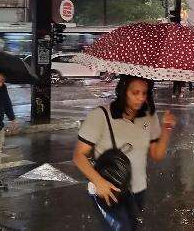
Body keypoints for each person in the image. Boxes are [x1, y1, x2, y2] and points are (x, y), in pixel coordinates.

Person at [73, 75, 176, 230]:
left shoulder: (149, 116)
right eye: (135, 92)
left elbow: (157, 155)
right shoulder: (100, 115)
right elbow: (78, 156)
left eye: (145, 93)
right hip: (108, 188)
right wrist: (98, 182)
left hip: (138, 190)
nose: (141, 97)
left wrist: (167, 130)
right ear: (122, 91)